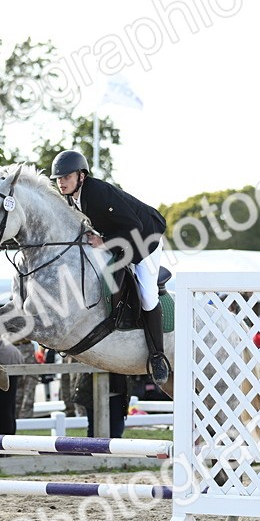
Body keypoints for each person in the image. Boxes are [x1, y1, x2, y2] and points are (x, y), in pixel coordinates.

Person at [50, 149, 170, 385]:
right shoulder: (71, 197)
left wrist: (103, 242)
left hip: (145, 238)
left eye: (66, 177)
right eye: (58, 179)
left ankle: (158, 356)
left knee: (147, 295)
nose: (61, 182)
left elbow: (132, 226)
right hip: (120, 238)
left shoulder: (97, 193)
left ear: (81, 176)